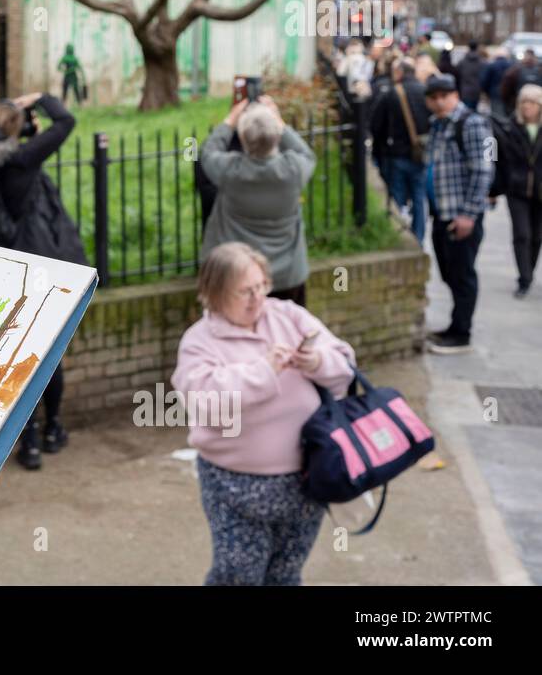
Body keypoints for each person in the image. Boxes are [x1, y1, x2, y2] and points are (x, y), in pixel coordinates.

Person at [171, 242, 357, 586]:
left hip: (305, 480)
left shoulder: (287, 315)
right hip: (234, 486)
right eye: (244, 292)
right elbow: (206, 402)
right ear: (214, 293)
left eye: (261, 287)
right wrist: (264, 370)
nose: (257, 299)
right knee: (237, 577)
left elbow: (346, 366)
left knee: (286, 575)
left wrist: (317, 362)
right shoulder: (199, 341)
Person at [0, 91, 86, 470]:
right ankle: (51, 429)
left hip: (4, 270)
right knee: (49, 356)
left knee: (19, 357)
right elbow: (66, 122)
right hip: (41, 269)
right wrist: (42, 98)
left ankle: (25, 440)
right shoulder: (23, 160)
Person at [200, 97, 317, 305]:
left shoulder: (230, 171)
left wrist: (230, 120)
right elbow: (306, 153)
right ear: (277, 136)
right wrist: (278, 121)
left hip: (238, 276)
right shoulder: (293, 170)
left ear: (243, 138)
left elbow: (208, 153)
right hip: (287, 275)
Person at [423, 74, 494, 353]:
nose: (440, 102)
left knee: (462, 274)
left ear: (456, 96)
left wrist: (468, 214)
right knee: (449, 272)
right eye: (434, 97)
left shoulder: (472, 124)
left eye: (445, 96)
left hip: (460, 216)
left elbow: (483, 170)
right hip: (442, 213)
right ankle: (454, 326)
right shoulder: (438, 125)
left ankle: (461, 334)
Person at [368, 57, 431, 242]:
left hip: (395, 152)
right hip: (420, 154)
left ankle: (398, 233)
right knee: (419, 197)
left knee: (397, 196)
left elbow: (375, 124)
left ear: (400, 72)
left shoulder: (391, 93)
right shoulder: (425, 91)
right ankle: (418, 237)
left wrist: (378, 150)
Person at [489, 84, 542, 298]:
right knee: (522, 234)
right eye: (524, 102)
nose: (527, 107)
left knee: (537, 237)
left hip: (540, 190)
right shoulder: (507, 127)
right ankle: (525, 278)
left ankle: (528, 270)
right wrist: (492, 188)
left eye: (532, 103)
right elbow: (492, 155)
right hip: (516, 188)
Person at [501, 48, 542, 115]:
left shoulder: (514, 71)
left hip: (519, 106)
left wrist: (509, 104)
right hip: (538, 107)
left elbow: (505, 90)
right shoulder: (540, 70)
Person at [481, 47, 513, 119]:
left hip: (495, 94)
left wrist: (487, 92)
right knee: (508, 116)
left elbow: (484, 81)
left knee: (496, 117)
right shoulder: (511, 65)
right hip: (508, 95)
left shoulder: (491, 66)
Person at [455, 40, 485, 112]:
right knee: (474, 111)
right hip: (477, 90)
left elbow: (457, 74)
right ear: (477, 47)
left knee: (465, 112)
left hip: (465, 90)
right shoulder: (481, 62)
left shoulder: (462, 62)